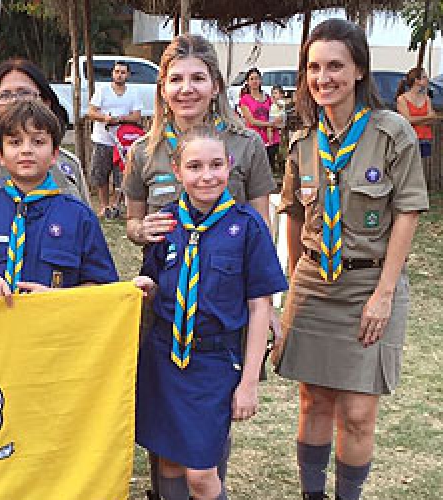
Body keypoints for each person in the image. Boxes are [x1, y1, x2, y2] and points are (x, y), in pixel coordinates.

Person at [274, 19, 428, 500]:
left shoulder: (392, 132)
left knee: (359, 414)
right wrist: (296, 287)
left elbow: (407, 212)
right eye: (314, 67)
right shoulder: (302, 143)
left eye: (336, 66)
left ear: (359, 69)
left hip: (370, 286)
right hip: (315, 284)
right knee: (313, 400)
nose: (324, 78)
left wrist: (384, 294)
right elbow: (295, 217)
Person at [121, 34, 277, 498]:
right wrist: (139, 230)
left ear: (214, 85)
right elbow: (132, 222)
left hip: (220, 310)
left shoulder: (245, 144)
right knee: (163, 445)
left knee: (206, 452)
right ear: (163, 88)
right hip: (166, 312)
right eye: (176, 79)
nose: (186, 88)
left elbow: (259, 231)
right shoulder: (143, 152)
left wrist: (269, 313)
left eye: (197, 78)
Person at [0, 99, 117, 300]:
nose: (26, 150)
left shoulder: (79, 216)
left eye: (38, 142)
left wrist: (59, 297)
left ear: (54, 154)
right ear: (0, 155)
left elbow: (104, 288)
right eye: (15, 142)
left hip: (54, 328)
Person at [0, 58, 90, 223]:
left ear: (45, 102)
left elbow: (87, 229)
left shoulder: (68, 165)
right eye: (5, 95)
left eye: (24, 93)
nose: (15, 101)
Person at [87, 60, 143, 219]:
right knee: (100, 174)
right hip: (103, 139)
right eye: (117, 71)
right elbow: (91, 112)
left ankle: (115, 206)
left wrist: (120, 119)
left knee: (122, 176)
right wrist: (105, 118)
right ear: (112, 73)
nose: (119, 75)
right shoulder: (102, 90)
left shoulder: (133, 93)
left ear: (128, 75)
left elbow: (137, 115)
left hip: (124, 143)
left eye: (123, 72)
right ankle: (104, 206)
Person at [238, 67, 280, 170]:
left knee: (270, 167)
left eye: (256, 78)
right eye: (251, 79)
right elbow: (251, 121)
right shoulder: (245, 100)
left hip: (271, 138)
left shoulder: (268, 97)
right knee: (257, 169)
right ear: (247, 82)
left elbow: (274, 113)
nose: (254, 81)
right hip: (255, 138)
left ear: (260, 80)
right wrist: (270, 124)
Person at [396, 67, 438, 158]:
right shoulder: (402, 99)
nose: (427, 79)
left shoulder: (427, 98)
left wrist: (418, 119)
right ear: (416, 80)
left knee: (424, 168)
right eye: (424, 77)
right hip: (409, 138)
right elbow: (407, 120)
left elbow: (432, 119)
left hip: (425, 138)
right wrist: (427, 117)